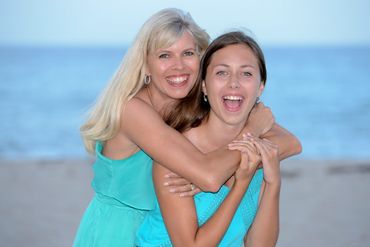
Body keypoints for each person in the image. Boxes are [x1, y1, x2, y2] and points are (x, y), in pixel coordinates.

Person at [73, 8, 301, 247]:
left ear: (200, 60)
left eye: (188, 53)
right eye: (164, 56)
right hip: (116, 231)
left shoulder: (191, 103)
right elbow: (210, 177)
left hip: (158, 225)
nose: (178, 66)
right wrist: (250, 133)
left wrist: (208, 170)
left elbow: (291, 143)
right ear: (146, 65)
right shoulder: (132, 110)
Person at [136, 31, 284, 246]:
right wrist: (240, 185)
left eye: (247, 74)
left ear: (261, 86)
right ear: (204, 84)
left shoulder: (258, 150)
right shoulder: (178, 154)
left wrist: (273, 183)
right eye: (222, 73)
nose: (234, 83)